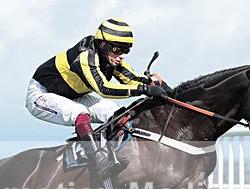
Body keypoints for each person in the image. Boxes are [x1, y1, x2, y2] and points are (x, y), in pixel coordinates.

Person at [26, 18, 172, 180]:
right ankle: (98, 158)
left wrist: (154, 83)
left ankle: (114, 150)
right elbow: (104, 88)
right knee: (79, 112)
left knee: (114, 111)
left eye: (125, 50)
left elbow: (131, 78)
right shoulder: (85, 57)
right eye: (118, 50)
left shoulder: (109, 57)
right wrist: (144, 90)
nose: (121, 56)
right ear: (103, 44)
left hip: (74, 96)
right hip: (41, 95)